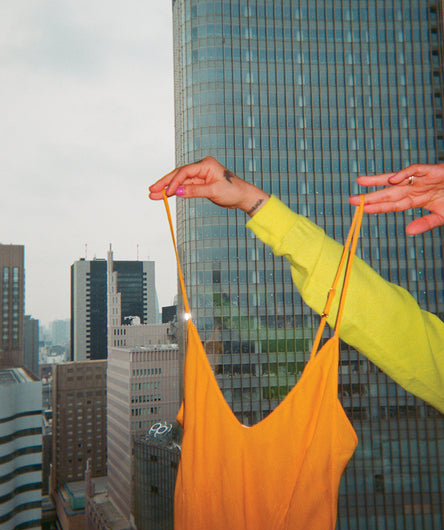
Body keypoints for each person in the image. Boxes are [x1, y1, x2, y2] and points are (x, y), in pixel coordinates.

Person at [149, 157, 444, 413]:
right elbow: (387, 320)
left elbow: (383, 320)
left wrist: (251, 201)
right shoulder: (291, 333)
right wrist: (250, 199)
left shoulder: (277, 336)